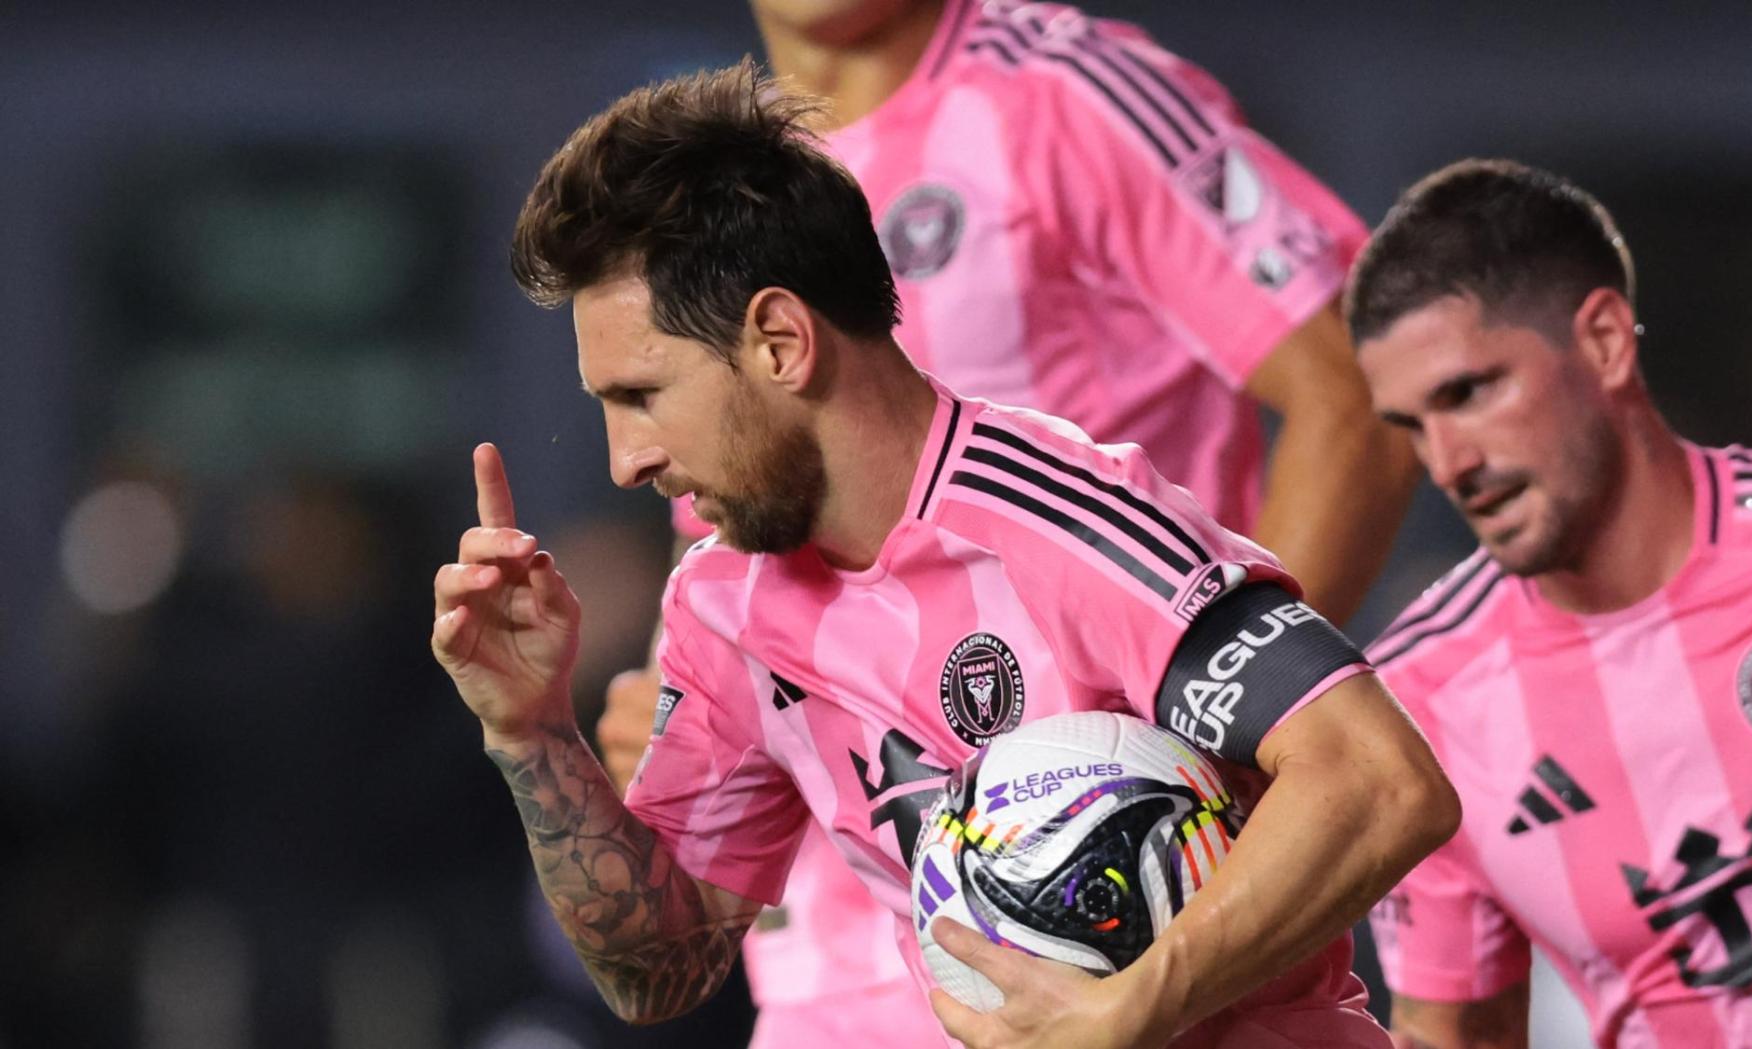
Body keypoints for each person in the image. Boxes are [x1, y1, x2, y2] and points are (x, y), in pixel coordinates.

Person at [433, 62, 1458, 1048]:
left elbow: (1381, 778)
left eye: (641, 395)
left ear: (781, 341)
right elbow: (660, 969)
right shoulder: (722, 601)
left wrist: (1127, 1011)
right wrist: (532, 732)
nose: (625, 461)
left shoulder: (1065, 514)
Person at [1350, 158, 1752, 1049]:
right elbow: (1456, 1037)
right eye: (1412, 427)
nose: (1447, 464)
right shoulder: (1421, 701)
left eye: (1469, 393)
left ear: (1605, 342)